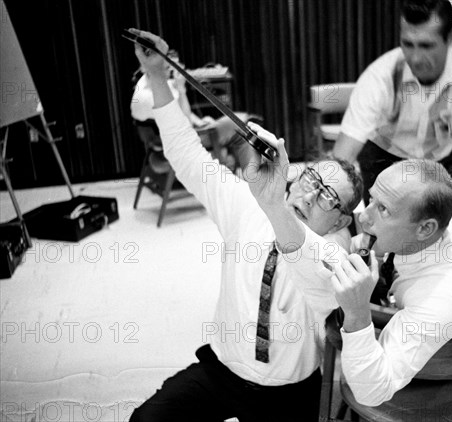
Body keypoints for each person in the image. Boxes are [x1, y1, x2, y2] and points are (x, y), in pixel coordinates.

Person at [126, 29, 363, 422]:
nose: (309, 196)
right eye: (311, 181)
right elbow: (187, 155)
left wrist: (274, 206)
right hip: (222, 372)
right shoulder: (246, 204)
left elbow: (304, 254)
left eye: (327, 197)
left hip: (290, 392)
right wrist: (154, 75)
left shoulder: (337, 255)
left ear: (340, 220)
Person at [333, 0, 452, 263]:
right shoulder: (381, 76)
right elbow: (342, 157)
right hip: (384, 158)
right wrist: (329, 217)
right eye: (407, 44)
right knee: (376, 242)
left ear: (450, 39)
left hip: (441, 161)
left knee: (431, 242)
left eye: (426, 45)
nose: (415, 57)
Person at [328, 159, 452, 406]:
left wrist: (356, 314)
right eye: (372, 199)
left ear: (425, 229)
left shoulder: (445, 293)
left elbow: (371, 393)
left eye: (383, 209)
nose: (364, 217)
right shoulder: (432, 223)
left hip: (448, 368)